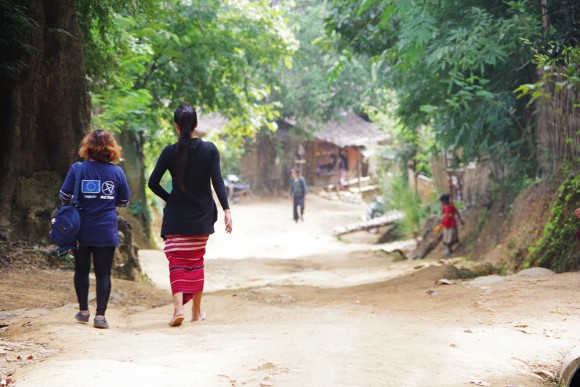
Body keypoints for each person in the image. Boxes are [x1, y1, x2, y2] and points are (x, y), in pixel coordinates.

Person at [148, 105, 232, 327]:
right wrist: (226, 209)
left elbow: (152, 183)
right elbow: (218, 181)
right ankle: (195, 312)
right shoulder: (210, 150)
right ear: (196, 124)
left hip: (176, 218)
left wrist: (171, 198)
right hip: (201, 218)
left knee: (176, 262)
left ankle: (177, 310)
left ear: (176, 127)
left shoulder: (169, 152)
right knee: (196, 262)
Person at [59, 129, 132, 329]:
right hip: (106, 229)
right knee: (103, 273)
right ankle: (100, 316)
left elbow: (64, 196)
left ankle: (83, 311)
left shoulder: (78, 169)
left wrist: (81, 199)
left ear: (87, 146)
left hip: (80, 229)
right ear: (112, 149)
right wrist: (106, 199)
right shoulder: (117, 172)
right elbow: (124, 200)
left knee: (81, 269)